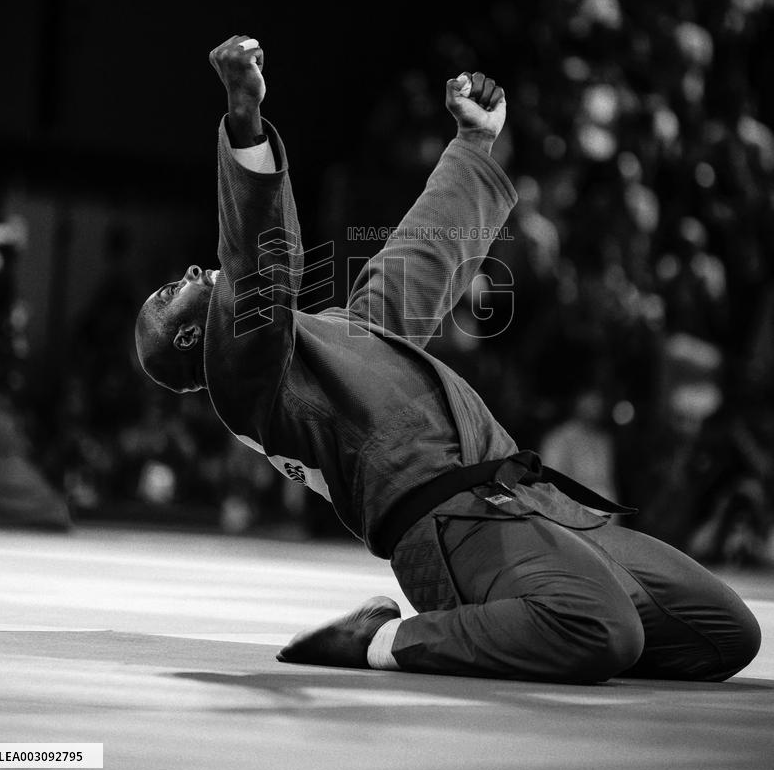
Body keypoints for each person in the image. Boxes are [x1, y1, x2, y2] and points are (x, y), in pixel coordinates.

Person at [135, 34, 760, 683]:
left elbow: (422, 257)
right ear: (190, 342)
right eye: (169, 291)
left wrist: (474, 143)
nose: (184, 271)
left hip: (531, 502)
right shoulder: (243, 382)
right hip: (448, 525)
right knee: (602, 628)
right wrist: (244, 118)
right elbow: (262, 265)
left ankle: (531, 627)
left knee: (722, 632)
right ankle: (382, 641)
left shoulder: (335, 338)